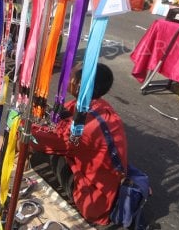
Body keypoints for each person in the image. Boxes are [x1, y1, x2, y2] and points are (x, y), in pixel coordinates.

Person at [30, 63, 127, 227]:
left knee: (37, 145)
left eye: (72, 75)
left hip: (95, 200)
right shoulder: (99, 106)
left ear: (80, 84)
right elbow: (64, 114)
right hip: (109, 184)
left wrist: (22, 125)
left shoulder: (83, 127)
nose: (68, 78)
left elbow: (41, 139)